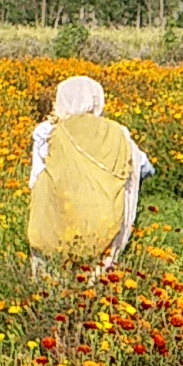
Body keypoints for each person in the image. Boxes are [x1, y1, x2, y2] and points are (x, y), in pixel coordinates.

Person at [26, 75, 153, 282]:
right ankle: (92, 290)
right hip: (102, 222)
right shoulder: (117, 132)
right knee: (92, 267)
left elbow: (35, 178)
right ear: (97, 100)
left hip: (54, 218)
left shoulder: (48, 131)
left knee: (52, 273)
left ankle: (50, 298)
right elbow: (144, 166)